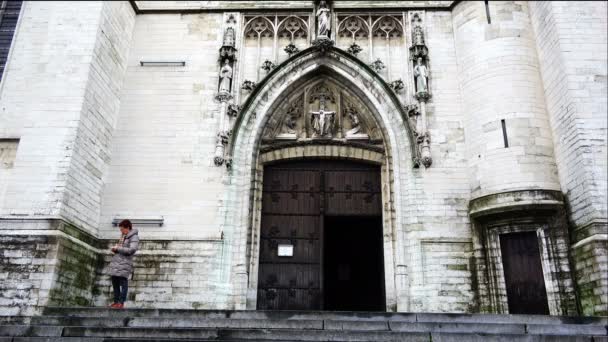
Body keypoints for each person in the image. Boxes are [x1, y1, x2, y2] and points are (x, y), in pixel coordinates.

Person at [108, 219, 139, 309]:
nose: (121, 231)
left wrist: (118, 249)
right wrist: (115, 249)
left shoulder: (134, 237)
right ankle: (116, 301)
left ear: (128, 227)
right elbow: (121, 248)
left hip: (125, 263)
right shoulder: (123, 236)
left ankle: (121, 303)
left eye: (122, 229)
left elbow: (132, 250)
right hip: (117, 263)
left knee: (123, 283)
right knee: (115, 282)